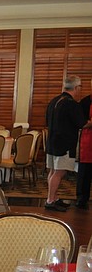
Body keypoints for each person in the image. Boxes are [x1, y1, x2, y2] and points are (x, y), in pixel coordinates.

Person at [44, 74, 86, 211]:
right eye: (80, 87)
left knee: (53, 171)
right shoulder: (71, 104)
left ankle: (54, 197)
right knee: (59, 173)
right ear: (76, 87)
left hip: (52, 142)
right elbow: (81, 123)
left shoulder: (54, 101)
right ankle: (50, 200)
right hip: (65, 144)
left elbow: (47, 121)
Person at [75, 87, 92, 209]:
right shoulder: (85, 102)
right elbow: (80, 122)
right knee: (85, 171)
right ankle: (81, 198)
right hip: (88, 139)